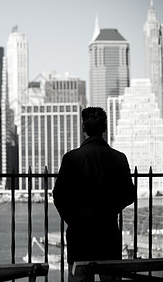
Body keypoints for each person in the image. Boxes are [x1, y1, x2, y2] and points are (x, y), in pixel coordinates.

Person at [53, 107, 136, 282]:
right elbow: (129, 194)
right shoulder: (119, 158)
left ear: (83, 127)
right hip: (108, 233)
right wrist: (110, 208)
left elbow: (58, 195)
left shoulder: (71, 158)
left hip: (80, 234)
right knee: (111, 279)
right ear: (105, 128)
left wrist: (73, 219)